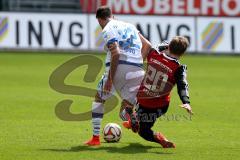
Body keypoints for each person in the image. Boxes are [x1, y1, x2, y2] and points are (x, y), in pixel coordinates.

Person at [85, 6, 151, 146]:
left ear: (100, 19)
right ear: (112, 15)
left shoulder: (107, 28)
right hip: (138, 69)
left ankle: (95, 139)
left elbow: (116, 53)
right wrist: (138, 62)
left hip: (119, 67)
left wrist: (110, 79)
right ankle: (130, 117)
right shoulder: (130, 26)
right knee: (126, 106)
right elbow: (147, 45)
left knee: (99, 99)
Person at [123, 36, 193, 148]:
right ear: (183, 54)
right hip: (160, 106)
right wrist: (186, 101)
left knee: (140, 128)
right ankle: (136, 120)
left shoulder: (154, 54)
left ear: (169, 46)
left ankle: (137, 122)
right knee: (142, 127)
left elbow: (152, 45)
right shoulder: (178, 68)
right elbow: (182, 85)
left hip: (143, 99)